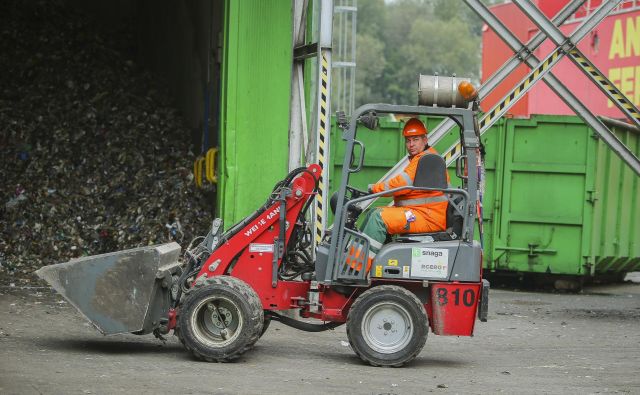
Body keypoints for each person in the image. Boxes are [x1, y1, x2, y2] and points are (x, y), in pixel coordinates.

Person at [361, 117, 449, 252]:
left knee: (378, 218)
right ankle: (358, 258)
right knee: (373, 212)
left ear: (425, 140)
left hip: (426, 217)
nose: (411, 144)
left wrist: (373, 188)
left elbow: (400, 184)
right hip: (421, 213)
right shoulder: (422, 158)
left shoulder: (424, 159)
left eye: (415, 139)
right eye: (408, 140)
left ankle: (356, 267)